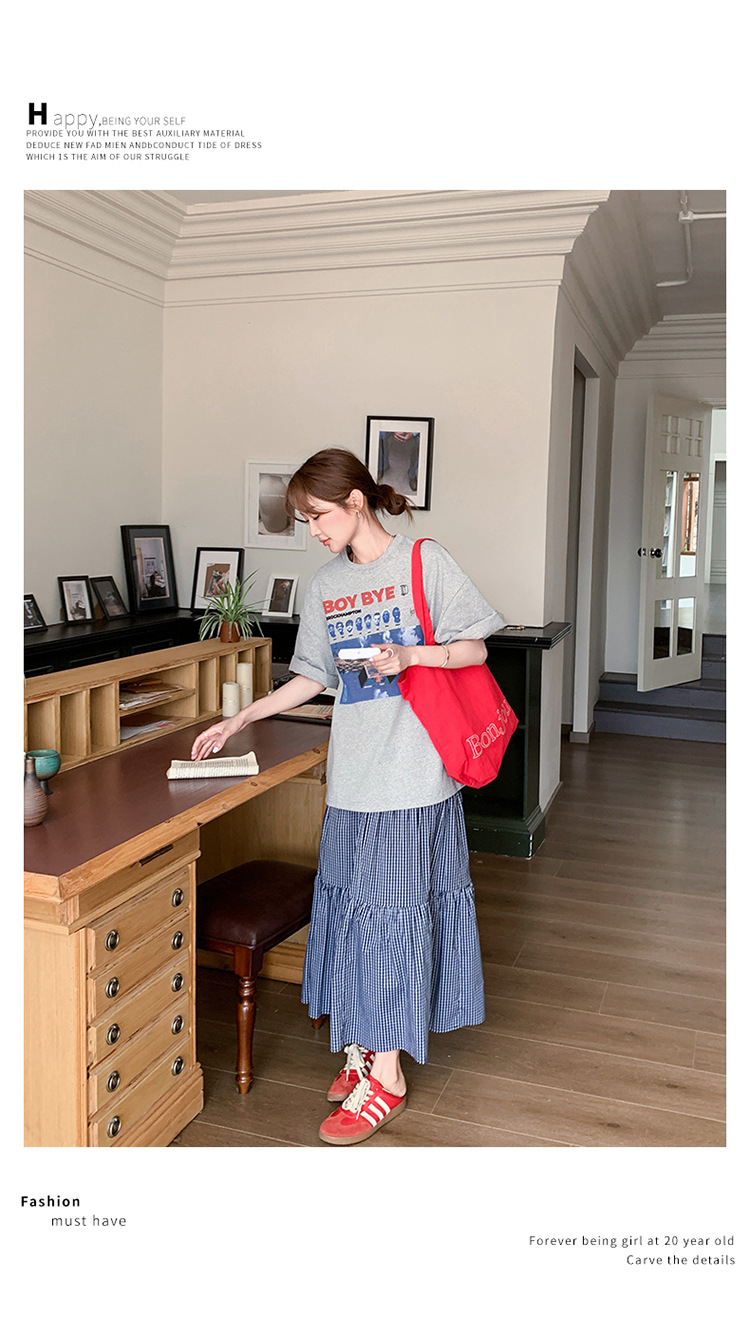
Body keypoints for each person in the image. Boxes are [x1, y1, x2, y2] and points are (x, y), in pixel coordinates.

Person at [191, 448, 506, 1145]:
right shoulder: (327, 584)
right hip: (354, 781)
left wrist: (411, 656)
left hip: (414, 780)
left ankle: (386, 1078)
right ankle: (363, 1045)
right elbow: (313, 676)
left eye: (318, 516)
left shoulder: (423, 561)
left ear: (355, 501)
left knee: (394, 921)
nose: (313, 531)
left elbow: (476, 648)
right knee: (356, 917)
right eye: (304, 521)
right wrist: (241, 718)